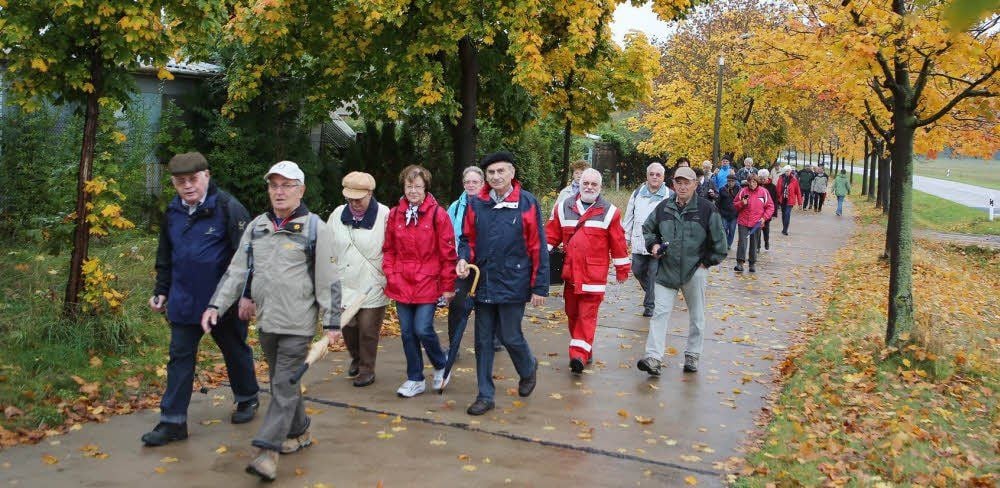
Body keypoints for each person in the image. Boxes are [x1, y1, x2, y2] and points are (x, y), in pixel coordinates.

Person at [203, 161, 341, 481]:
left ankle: (268, 451)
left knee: (282, 384)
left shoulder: (314, 228)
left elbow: (328, 278)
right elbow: (238, 271)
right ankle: (301, 430)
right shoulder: (258, 226)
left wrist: (332, 322)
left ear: (301, 190)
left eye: (287, 186)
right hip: (267, 323)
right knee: (285, 383)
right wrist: (216, 305)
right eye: (274, 186)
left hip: (298, 323)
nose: (279, 192)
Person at [142, 152, 260, 447]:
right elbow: (165, 257)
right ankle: (172, 423)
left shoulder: (229, 208)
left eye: (193, 179)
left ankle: (247, 398)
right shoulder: (172, 212)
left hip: (223, 303)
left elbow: (247, 258)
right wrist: (162, 290)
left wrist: (245, 296)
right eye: (180, 181)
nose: (188, 186)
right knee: (179, 359)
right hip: (184, 301)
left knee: (234, 350)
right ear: (173, 183)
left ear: (206, 175)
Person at [457, 151, 548, 416]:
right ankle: (485, 395)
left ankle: (528, 367)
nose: (496, 177)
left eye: (501, 171)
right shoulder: (477, 204)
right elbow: (467, 239)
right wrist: (463, 259)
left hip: (514, 281)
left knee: (510, 336)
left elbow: (537, 246)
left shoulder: (527, 203)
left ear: (512, 173)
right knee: (483, 341)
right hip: (482, 281)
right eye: (491, 172)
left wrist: (539, 287)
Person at [637, 167, 727, 376]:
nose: (683, 186)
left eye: (687, 182)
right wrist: (654, 246)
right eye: (679, 182)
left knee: (697, 316)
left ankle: (693, 355)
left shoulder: (707, 209)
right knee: (659, 314)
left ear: (695, 184)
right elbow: (648, 229)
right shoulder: (663, 208)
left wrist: (706, 262)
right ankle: (653, 358)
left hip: (694, 271)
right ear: (673, 185)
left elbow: (720, 244)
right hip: (666, 271)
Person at [382, 165, 458, 398]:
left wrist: (447, 286)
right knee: (406, 333)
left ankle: (440, 362)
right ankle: (415, 378)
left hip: (428, 281)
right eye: (409, 186)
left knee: (422, 328)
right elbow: (389, 249)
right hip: (401, 282)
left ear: (425, 187)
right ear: (403, 187)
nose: (413, 191)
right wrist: (391, 273)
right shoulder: (395, 214)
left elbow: (447, 253)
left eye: (417, 186)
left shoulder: (438, 215)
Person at [546, 169, 630, 374]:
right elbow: (551, 235)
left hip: (594, 275)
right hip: (570, 274)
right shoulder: (563, 208)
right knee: (572, 313)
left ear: (600, 187)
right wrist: (538, 257)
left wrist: (622, 269)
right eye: (586, 183)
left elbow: (618, 243)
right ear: (579, 184)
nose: (589, 187)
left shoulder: (610, 212)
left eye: (594, 184)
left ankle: (578, 355)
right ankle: (585, 347)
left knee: (587, 315)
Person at [327, 171, 390, 388]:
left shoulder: (385, 215)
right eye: (349, 198)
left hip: (372, 282)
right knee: (349, 327)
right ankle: (356, 357)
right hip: (345, 282)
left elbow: (393, 248)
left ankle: (366, 369)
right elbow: (327, 246)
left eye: (358, 198)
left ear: (370, 194)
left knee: (367, 329)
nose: (354, 203)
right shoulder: (336, 214)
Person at [446, 166, 503, 359]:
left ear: (482, 184)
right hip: (462, 263)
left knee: (489, 304)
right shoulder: (456, 206)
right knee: (457, 305)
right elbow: (452, 235)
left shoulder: (491, 205)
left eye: (475, 182)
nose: (470, 185)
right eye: (467, 182)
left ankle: (493, 338)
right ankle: (453, 346)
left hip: (487, 265)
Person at [623, 162, 669, 317]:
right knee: (637, 270)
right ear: (647, 176)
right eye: (652, 174)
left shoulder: (669, 195)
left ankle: (650, 306)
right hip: (638, 242)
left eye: (658, 175)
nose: (655, 177)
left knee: (654, 274)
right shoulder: (638, 193)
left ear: (663, 177)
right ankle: (653, 293)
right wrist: (625, 238)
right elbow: (629, 216)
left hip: (658, 244)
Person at [733, 174, 774, 273]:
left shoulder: (764, 192)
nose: (752, 184)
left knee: (754, 243)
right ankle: (740, 263)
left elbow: (770, 206)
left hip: (757, 222)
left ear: (757, 182)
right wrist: (742, 203)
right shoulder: (743, 191)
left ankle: (752, 263)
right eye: (750, 182)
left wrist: (764, 218)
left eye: (754, 182)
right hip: (743, 221)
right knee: (742, 242)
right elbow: (735, 204)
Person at [775, 165, 803, 235]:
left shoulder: (794, 180)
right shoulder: (781, 178)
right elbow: (777, 189)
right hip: (782, 199)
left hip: (790, 200)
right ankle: (784, 227)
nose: (787, 172)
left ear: (791, 171)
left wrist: (800, 203)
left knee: (787, 214)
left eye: (788, 171)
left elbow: (798, 192)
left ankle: (785, 230)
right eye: (786, 171)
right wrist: (776, 199)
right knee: (783, 215)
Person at [757, 169, 780, 251]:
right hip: (757, 212)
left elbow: (775, 201)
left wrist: (774, 213)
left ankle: (766, 241)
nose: (763, 180)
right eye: (761, 178)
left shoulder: (772, 187)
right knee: (757, 229)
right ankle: (758, 246)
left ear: (767, 178)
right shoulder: (756, 185)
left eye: (764, 178)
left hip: (767, 212)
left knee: (765, 230)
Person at [716, 173, 740, 248]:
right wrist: (718, 212)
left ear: (735, 181)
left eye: (732, 181)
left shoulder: (739, 189)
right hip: (724, 213)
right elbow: (718, 202)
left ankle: (729, 244)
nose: (730, 183)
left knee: (732, 231)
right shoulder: (722, 189)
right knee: (724, 229)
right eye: (729, 181)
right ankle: (725, 243)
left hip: (734, 214)